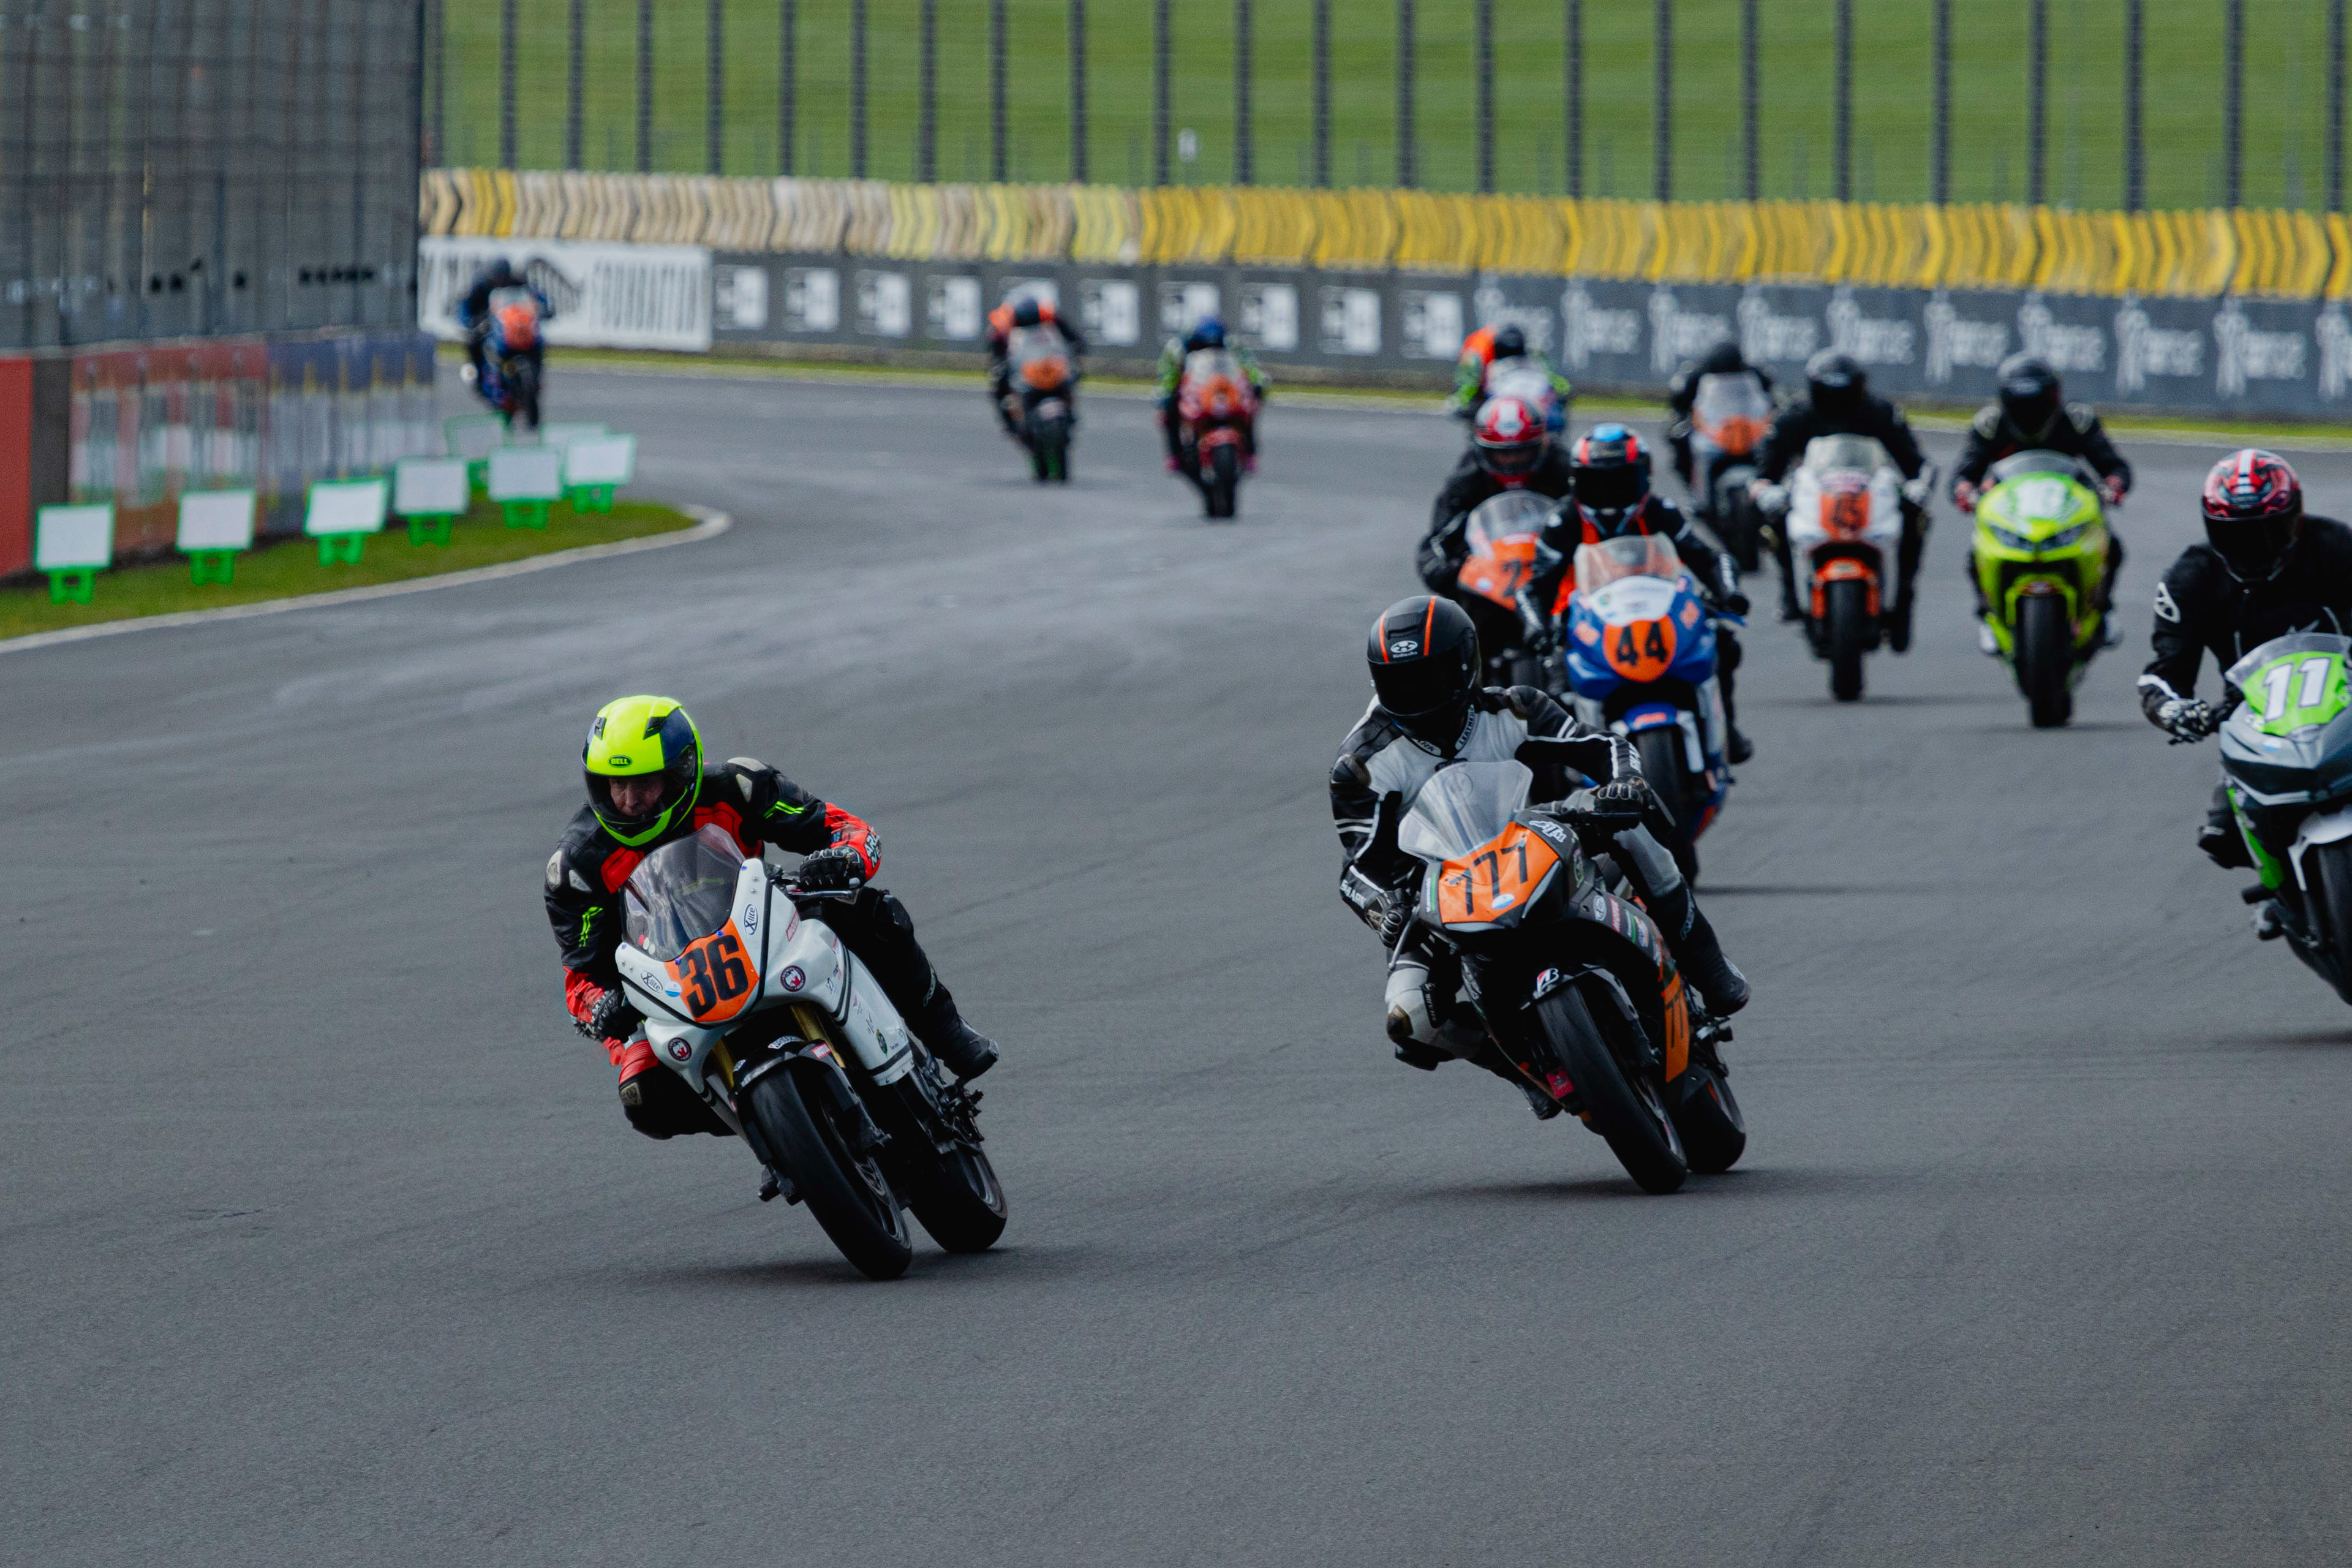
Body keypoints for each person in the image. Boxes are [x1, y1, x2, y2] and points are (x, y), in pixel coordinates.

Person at [1330, 595, 1750, 1116]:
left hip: (1537, 841)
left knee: (1636, 832)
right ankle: (1520, 1069)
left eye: (1428, 678)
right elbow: (1357, 868)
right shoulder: (1361, 764)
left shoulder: (1513, 708)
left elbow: (1603, 745)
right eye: (1401, 683)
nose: (1416, 695)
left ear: (1464, 665)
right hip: (1436, 894)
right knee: (1408, 1018)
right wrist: (1384, 909)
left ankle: (1708, 966)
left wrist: (1626, 781)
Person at [545, 695, 1000, 1141]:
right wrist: (599, 1007)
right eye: (615, 784)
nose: (628, 800)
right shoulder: (577, 865)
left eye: (644, 783)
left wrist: (844, 857)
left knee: (873, 915)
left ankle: (947, 1032)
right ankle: (772, 1134)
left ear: (681, 771)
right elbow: (581, 974)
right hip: (669, 977)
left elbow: (843, 828)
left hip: (762, 923)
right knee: (642, 1094)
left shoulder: (737, 787)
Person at [2138, 451, 2352, 879]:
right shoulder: (2190, 578)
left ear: (2296, 519)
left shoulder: (2336, 547)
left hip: (2346, 694)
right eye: (2235, 534)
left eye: (2269, 531)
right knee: (2223, 837)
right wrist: (2174, 710)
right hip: (2253, 715)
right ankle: (2279, 893)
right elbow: (2164, 674)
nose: (2255, 547)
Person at [1523, 424, 1754, 763]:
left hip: (1658, 611)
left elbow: (1709, 558)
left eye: (1620, 482)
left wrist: (1728, 591)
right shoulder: (1563, 521)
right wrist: (1537, 626)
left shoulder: (1661, 511)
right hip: (1586, 623)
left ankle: (1725, 728)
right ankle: (1563, 769)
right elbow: (1535, 588)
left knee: (1722, 642)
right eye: (1596, 482)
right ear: (1577, 482)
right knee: (1553, 683)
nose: (1608, 493)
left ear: (1644, 479)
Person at [1953, 353, 2134, 652]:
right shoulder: (1990, 425)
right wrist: (1965, 492)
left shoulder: (2077, 421)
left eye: (2038, 403)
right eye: (2022, 405)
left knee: (2111, 546)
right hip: (2011, 512)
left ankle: (2103, 608)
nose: (2031, 412)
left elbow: (2114, 466)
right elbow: (1964, 474)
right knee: (1976, 553)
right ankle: (1987, 614)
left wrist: (2113, 486)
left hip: (2067, 509)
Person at [1753, 350, 1936, 641]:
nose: (1837, 401)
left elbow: (1913, 459)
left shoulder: (1881, 412)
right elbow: (1769, 459)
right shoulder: (1796, 414)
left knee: (1916, 517)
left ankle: (1903, 595)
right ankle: (1790, 590)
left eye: (1844, 392)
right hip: (1815, 493)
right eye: (1829, 392)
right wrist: (1765, 485)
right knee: (1775, 516)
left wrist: (1918, 484)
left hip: (1870, 492)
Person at [1416, 396, 1573, 594]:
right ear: (1483, 451)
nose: (1512, 461)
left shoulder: (1565, 471)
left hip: (1555, 575)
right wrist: (1445, 569)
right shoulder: (1466, 479)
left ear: (1540, 447)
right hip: (1488, 582)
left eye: (1521, 453)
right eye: (1503, 454)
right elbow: (1437, 541)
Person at [1153, 315, 1270, 472]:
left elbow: (1251, 368)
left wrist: (1257, 385)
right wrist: (1166, 394)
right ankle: (1175, 453)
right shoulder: (1176, 349)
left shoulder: (1234, 345)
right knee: (1169, 408)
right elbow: (1168, 376)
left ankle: (1250, 451)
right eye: (1201, 346)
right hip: (1194, 389)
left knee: (1249, 407)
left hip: (1223, 388)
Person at [1664, 337, 1774, 494]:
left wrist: (1767, 416)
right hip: (1714, 426)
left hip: (1745, 426)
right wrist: (1683, 419)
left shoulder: (1755, 373)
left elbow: (1769, 398)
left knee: (1776, 438)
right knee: (1680, 437)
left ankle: (1771, 484)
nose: (1727, 373)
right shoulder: (1695, 375)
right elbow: (1679, 402)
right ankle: (1693, 488)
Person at [985, 294, 1087, 441]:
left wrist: (1075, 348)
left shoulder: (1049, 314)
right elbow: (996, 348)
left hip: (1047, 361)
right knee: (998, 382)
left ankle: (1070, 412)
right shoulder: (1004, 322)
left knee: (1073, 373)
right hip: (1021, 364)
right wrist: (1002, 361)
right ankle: (1010, 422)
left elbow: (1072, 337)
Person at [1449, 323, 1572, 429]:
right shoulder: (1488, 363)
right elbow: (1563, 388)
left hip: (1535, 423)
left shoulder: (1536, 364)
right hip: (1502, 424)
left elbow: (1562, 388)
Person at [457, 257, 551, 394]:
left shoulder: (519, 284)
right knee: (473, 342)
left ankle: (536, 379)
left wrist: (544, 310)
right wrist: (469, 321)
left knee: (538, 341)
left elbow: (538, 298)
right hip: (490, 326)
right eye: (498, 277)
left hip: (513, 326)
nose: (501, 280)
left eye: (503, 276)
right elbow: (466, 306)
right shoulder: (482, 287)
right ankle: (478, 377)